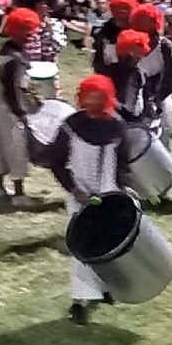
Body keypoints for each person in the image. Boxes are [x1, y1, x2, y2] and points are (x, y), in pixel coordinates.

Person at [48, 74, 130, 325]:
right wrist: (74, 189)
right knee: (81, 247)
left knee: (107, 244)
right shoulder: (70, 126)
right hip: (79, 193)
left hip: (109, 193)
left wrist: (122, 189)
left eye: (98, 96)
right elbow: (56, 161)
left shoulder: (117, 126)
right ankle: (80, 300)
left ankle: (104, 288)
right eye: (89, 96)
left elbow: (124, 163)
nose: (93, 101)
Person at [0, 7, 42, 207]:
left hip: (2, 105)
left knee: (2, 144)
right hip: (10, 108)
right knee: (15, 146)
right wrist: (21, 111)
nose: (31, 35)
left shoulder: (9, 51)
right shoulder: (14, 60)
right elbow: (14, 89)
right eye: (27, 30)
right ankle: (19, 194)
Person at [131, 3, 172, 150]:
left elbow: (171, 78)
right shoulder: (130, 42)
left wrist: (157, 100)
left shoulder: (165, 46)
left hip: (160, 97)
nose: (145, 25)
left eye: (149, 21)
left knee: (161, 142)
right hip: (134, 97)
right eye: (142, 21)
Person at [105, 28, 151, 122]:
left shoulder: (135, 74)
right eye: (135, 57)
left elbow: (129, 107)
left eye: (139, 58)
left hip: (130, 121)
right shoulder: (110, 70)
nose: (138, 61)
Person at [92, 0, 139, 77]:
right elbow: (99, 55)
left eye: (125, 9)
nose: (122, 12)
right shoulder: (106, 29)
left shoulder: (137, 29)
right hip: (108, 71)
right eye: (119, 8)